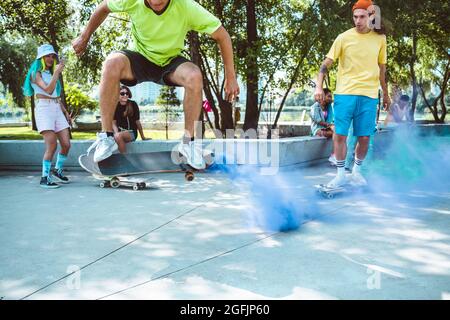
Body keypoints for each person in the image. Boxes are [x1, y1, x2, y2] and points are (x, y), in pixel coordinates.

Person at [73, 0, 240, 169]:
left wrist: (231, 76)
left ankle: (189, 144)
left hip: (170, 61)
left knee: (194, 75)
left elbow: (222, 35)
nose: (156, 3)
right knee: (111, 63)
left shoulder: (186, 6)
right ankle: (107, 137)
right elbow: (103, 7)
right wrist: (84, 36)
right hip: (140, 58)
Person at [314, 0, 390, 188]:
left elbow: (382, 71)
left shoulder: (380, 39)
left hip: (369, 96)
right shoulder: (343, 37)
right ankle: (340, 174)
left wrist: (386, 94)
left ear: (371, 16)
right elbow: (326, 64)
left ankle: (356, 172)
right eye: (355, 17)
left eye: (362, 17)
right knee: (339, 135)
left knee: (364, 137)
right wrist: (318, 87)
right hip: (345, 94)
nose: (358, 21)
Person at [23, 44, 72, 189]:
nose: (50, 58)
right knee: (52, 144)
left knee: (66, 144)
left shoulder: (50, 73)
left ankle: (57, 171)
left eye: (52, 56)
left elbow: (56, 96)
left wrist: (65, 112)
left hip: (56, 108)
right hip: (44, 109)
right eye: (47, 56)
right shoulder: (35, 74)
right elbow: (49, 90)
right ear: (41, 58)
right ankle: (44, 177)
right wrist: (57, 73)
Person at [113, 85, 149, 153]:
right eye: (122, 93)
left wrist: (143, 137)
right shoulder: (115, 106)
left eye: (127, 93)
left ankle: (124, 158)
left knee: (117, 136)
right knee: (111, 136)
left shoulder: (133, 104)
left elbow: (137, 122)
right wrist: (116, 133)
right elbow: (113, 123)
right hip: (119, 133)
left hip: (131, 132)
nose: (125, 95)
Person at [310, 88, 336, 165]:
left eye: (331, 97)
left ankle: (337, 156)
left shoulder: (329, 107)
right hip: (317, 129)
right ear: (323, 95)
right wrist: (330, 125)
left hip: (326, 128)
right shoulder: (315, 106)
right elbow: (318, 121)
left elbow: (330, 118)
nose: (330, 98)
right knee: (336, 131)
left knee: (339, 132)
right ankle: (333, 155)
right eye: (329, 96)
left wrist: (330, 125)